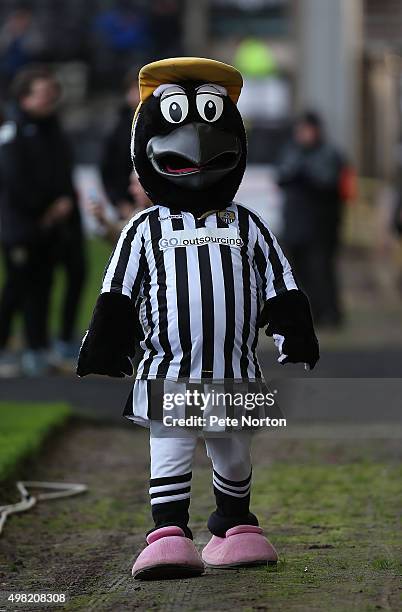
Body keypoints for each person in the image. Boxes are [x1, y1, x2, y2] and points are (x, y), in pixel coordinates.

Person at [77, 57, 319, 580]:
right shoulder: (144, 228)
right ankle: (169, 535)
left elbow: (281, 284)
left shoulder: (247, 224)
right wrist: (105, 344)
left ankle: (236, 527)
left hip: (234, 366)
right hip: (169, 368)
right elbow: (117, 291)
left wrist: (292, 333)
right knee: (171, 445)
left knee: (232, 450)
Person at [0, 66, 84, 375]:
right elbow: (14, 180)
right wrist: (46, 207)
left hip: (51, 226)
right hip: (20, 226)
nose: (52, 99)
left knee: (42, 286)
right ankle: (9, 346)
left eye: (54, 93)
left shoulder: (53, 129)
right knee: (17, 287)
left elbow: (62, 173)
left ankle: (37, 348)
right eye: (45, 93)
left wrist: (62, 206)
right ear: (24, 97)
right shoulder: (13, 130)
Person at [276, 111, 346, 327]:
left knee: (321, 270)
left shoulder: (329, 154)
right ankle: (310, 312)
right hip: (295, 225)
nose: (304, 134)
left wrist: (306, 175)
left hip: (321, 227)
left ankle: (330, 313)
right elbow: (282, 176)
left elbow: (328, 183)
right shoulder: (291, 151)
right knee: (298, 273)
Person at [101, 69, 139, 217]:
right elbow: (108, 170)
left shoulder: (163, 125)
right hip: (128, 206)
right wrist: (120, 203)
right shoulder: (117, 128)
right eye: (134, 89)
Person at [88, 171, 152, 244]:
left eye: (135, 184)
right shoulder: (141, 213)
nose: (131, 190)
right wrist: (102, 218)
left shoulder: (164, 212)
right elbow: (121, 235)